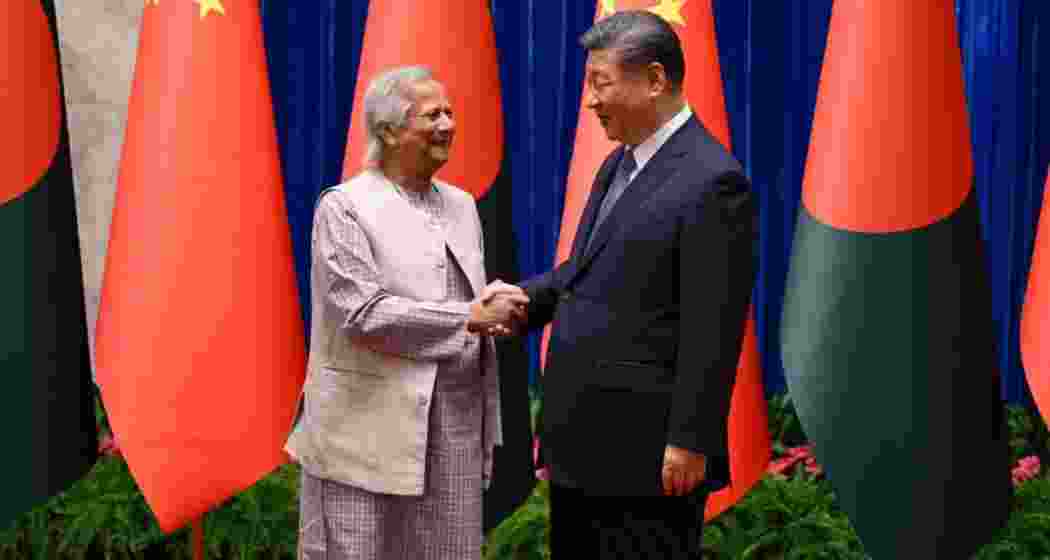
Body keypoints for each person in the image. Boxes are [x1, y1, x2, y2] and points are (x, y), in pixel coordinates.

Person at [486, 10, 757, 558]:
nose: (589, 100)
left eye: (599, 82)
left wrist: (689, 437)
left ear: (655, 80)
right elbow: (585, 272)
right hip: (583, 445)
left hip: (648, 458)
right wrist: (524, 301)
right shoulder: (618, 165)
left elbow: (715, 322)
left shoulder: (713, 180)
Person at [284, 65, 528, 560]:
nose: (448, 125)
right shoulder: (344, 207)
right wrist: (469, 316)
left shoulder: (462, 205)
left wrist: (501, 309)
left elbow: (469, 305)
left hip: (453, 432)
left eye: (450, 112)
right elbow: (362, 313)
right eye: (432, 114)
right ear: (390, 130)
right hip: (363, 435)